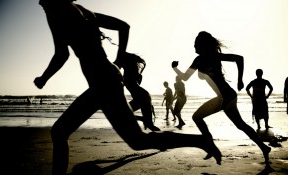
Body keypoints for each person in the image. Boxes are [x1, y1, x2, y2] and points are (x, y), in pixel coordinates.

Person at [35, 2, 221, 174]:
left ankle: (200, 140)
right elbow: (123, 26)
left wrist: (44, 78)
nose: (40, 2)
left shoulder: (57, 10)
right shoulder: (83, 11)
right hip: (107, 78)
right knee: (137, 141)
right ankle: (199, 140)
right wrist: (119, 57)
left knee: (59, 132)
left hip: (102, 82)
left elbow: (62, 53)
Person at [172, 31, 271, 164]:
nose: (194, 47)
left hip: (224, 97)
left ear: (202, 45)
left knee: (197, 117)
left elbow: (185, 78)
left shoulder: (201, 59)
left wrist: (174, 68)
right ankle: (264, 147)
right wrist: (239, 80)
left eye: (196, 44)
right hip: (228, 95)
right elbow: (239, 59)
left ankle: (210, 145)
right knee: (240, 125)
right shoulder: (212, 57)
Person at [119, 52, 160, 131]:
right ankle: (144, 119)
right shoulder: (133, 71)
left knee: (121, 115)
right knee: (150, 125)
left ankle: (143, 119)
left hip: (142, 97)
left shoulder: (129, 72)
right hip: (143, 96)